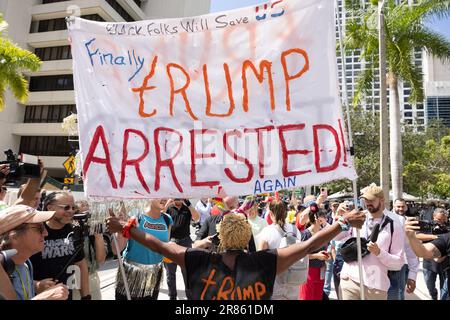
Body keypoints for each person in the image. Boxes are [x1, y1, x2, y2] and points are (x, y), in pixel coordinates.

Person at [106, 207, 365, 300]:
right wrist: (342, 223)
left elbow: (158, 244)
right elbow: (308, 246)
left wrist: (125, 228)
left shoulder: (196, 259)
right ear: (246, 237)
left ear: (220, 234)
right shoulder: (266, 261)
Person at [334, 184, 405, 300]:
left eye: (371, 200)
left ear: (381, 200)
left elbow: (399, 263)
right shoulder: (356, 218)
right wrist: (343, 219)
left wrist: (379, 252)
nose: (367, 203)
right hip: (350, 280)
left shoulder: (394, 226)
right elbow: (336, 237)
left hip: (376, 286)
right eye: (365, 200)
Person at [29, 191, 90, 300]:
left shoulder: (74, 232)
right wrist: (35, 285)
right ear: (50, 207)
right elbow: (16, 270)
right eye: (66, 207)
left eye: (73, 207)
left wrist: (86, 297)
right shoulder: (34, 231)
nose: (71, 211)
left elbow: (80, 265)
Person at [0, 205, 69, 300]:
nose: (46, 233)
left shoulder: (25, 263)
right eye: (39, 228)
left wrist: (36, 286)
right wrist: (43, 298)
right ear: (14, 236)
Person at [112, 198, 173, 300]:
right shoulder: (135, 216)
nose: (164, 198)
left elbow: (165, 248)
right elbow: (116, 249)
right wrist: (121, 226)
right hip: (131, 276)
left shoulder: (167, 219)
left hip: (154, 277)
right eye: (159, 193)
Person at [258, 199, 301, 299]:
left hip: (275, 281)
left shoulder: (267, 231)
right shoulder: (295, 230)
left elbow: (260, 258)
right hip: (293, 279)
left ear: (271, 213)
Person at [404, 216, 450, 300]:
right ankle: (434, 297)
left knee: (443, 289)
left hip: (443, 266)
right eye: (439, 219)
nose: (441, 222)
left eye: (444, 219)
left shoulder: (447, 228)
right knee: (430, 286)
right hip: (429, 265)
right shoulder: (428, 225)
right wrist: (411, 236)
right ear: (434, 217)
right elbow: (422, 250)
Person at [163, 198, 199, 300]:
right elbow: (159, 217)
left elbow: (197, 218)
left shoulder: (187, 208)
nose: (176, 199)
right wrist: (167, 204)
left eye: (179, 197)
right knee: (170, 273)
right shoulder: (169, 208)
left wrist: (188, 203)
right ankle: (172, 296)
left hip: (185, 242)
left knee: (187, 271)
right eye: (175, 197)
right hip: (171, 242)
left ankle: (190, 296)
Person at [72, 200, 107, 300]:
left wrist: (98, 236)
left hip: (91, 277)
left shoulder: (93, 231)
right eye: (82, 215)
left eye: (88, 215)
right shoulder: (69, 230)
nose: (86, 219)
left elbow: (101, 259)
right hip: (71, 279)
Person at [386, 198, 419, 300]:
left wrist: (412, 275)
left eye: (402, 206)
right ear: (393, 207)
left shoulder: (408, 221)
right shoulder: (386, 219)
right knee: (393, 293)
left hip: (403, 265)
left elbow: (410, 247)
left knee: (399, 292)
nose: (401, 208)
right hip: (388, 264)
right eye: (398, 206)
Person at [299, 209, 331, 300]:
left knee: (318, 297)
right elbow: (300, 255)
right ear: (317, 218)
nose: (325, 218)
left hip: (321, 270)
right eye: (323, 216)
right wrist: (317, 256)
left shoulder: (323, 233)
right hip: (308, 271)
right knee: (306, 297)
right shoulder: (305, 234)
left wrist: (327, 255)